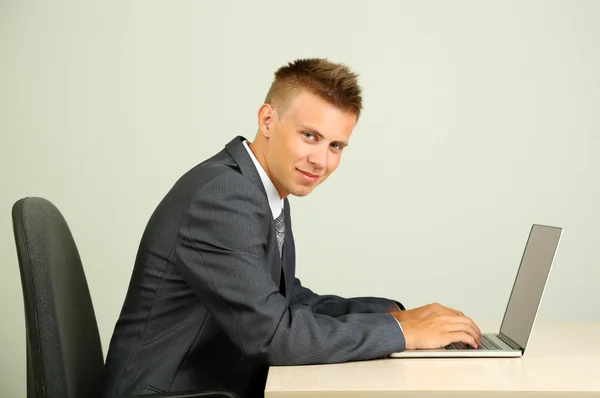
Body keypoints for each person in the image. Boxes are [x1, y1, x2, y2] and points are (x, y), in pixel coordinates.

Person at [100, 58, 482, 398]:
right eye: (310, 136)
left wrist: (392, 316)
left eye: (336, 146)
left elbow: (282, 299)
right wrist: (403, 335)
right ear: (267, 120)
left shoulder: (262, 185)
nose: (321, 161)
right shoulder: (223, 195)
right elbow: (275, 334)